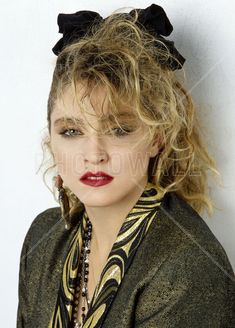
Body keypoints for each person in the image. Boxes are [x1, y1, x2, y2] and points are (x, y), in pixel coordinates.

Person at [16, 4, 235, 328]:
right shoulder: (44, 239)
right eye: (72, 131)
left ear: (158, 137)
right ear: (51, 139)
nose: (94, 154)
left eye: (119, 129)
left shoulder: (184, 266)